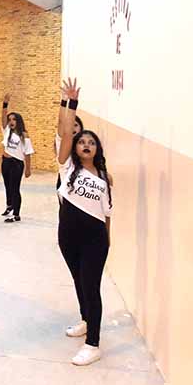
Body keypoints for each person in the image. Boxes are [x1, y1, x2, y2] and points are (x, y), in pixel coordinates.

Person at [56, 78, 113, 366]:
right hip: (68, 235)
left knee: (91, 286)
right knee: (79, 281)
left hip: (94, 240)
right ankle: (86, 320)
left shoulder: (104, 177)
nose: (85, 144)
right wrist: (70, 103)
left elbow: (106, 214)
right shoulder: (68, 166)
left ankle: (94, 344)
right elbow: (65, 132)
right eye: (82, 142)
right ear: (75, 148)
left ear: (97, 149)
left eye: (91, 142)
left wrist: (107, 240)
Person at [0, 93, 34, 223]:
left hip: (17, 163)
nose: (11, 121)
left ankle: (16, 214)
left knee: (15, 188)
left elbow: (28, 152)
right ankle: (9, 206)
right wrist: (5, 104)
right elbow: (2, 117)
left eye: (14, 119)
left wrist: (28, 169)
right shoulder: (7, 130)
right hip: (5, 161)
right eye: (10, 119)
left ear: (18, 121)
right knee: (7, 186)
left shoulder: (24, 135)